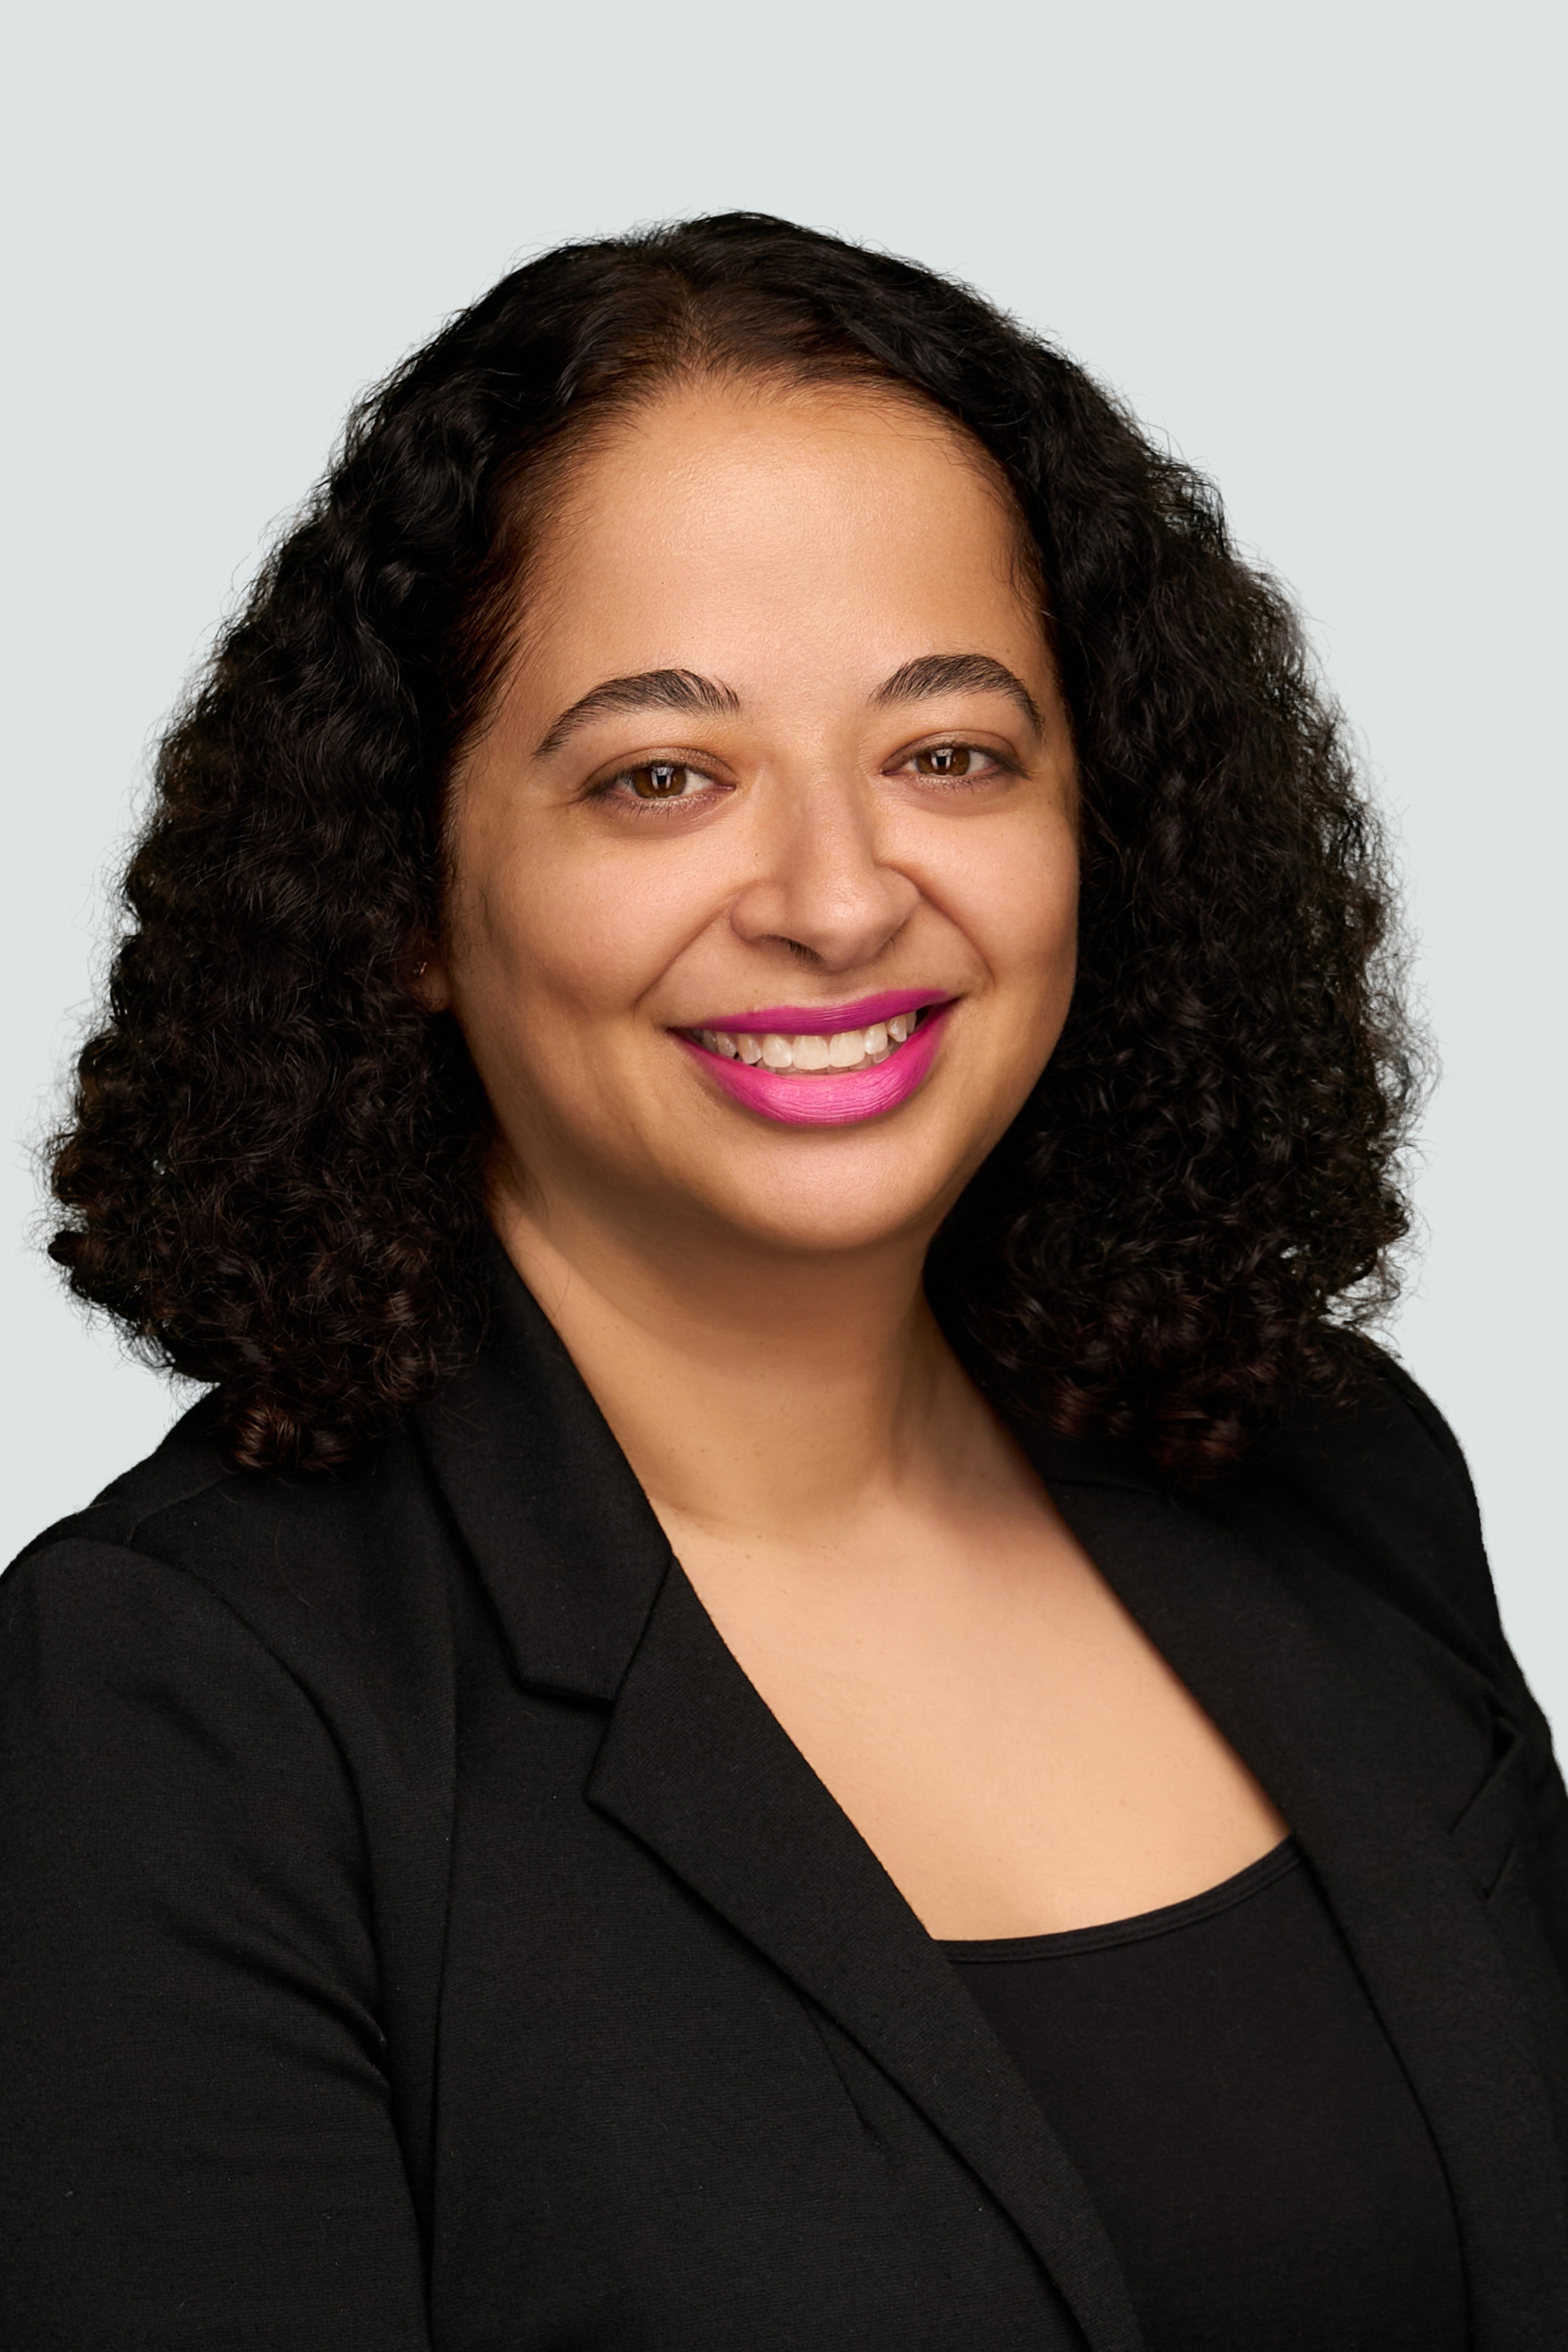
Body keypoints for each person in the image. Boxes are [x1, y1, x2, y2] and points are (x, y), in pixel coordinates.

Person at [2, 212, 1563, 2352]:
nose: (839, 900)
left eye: (950, 753)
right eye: (662, 777)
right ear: (409, 897)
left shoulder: (1335, 1468)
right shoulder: (175, 1708)